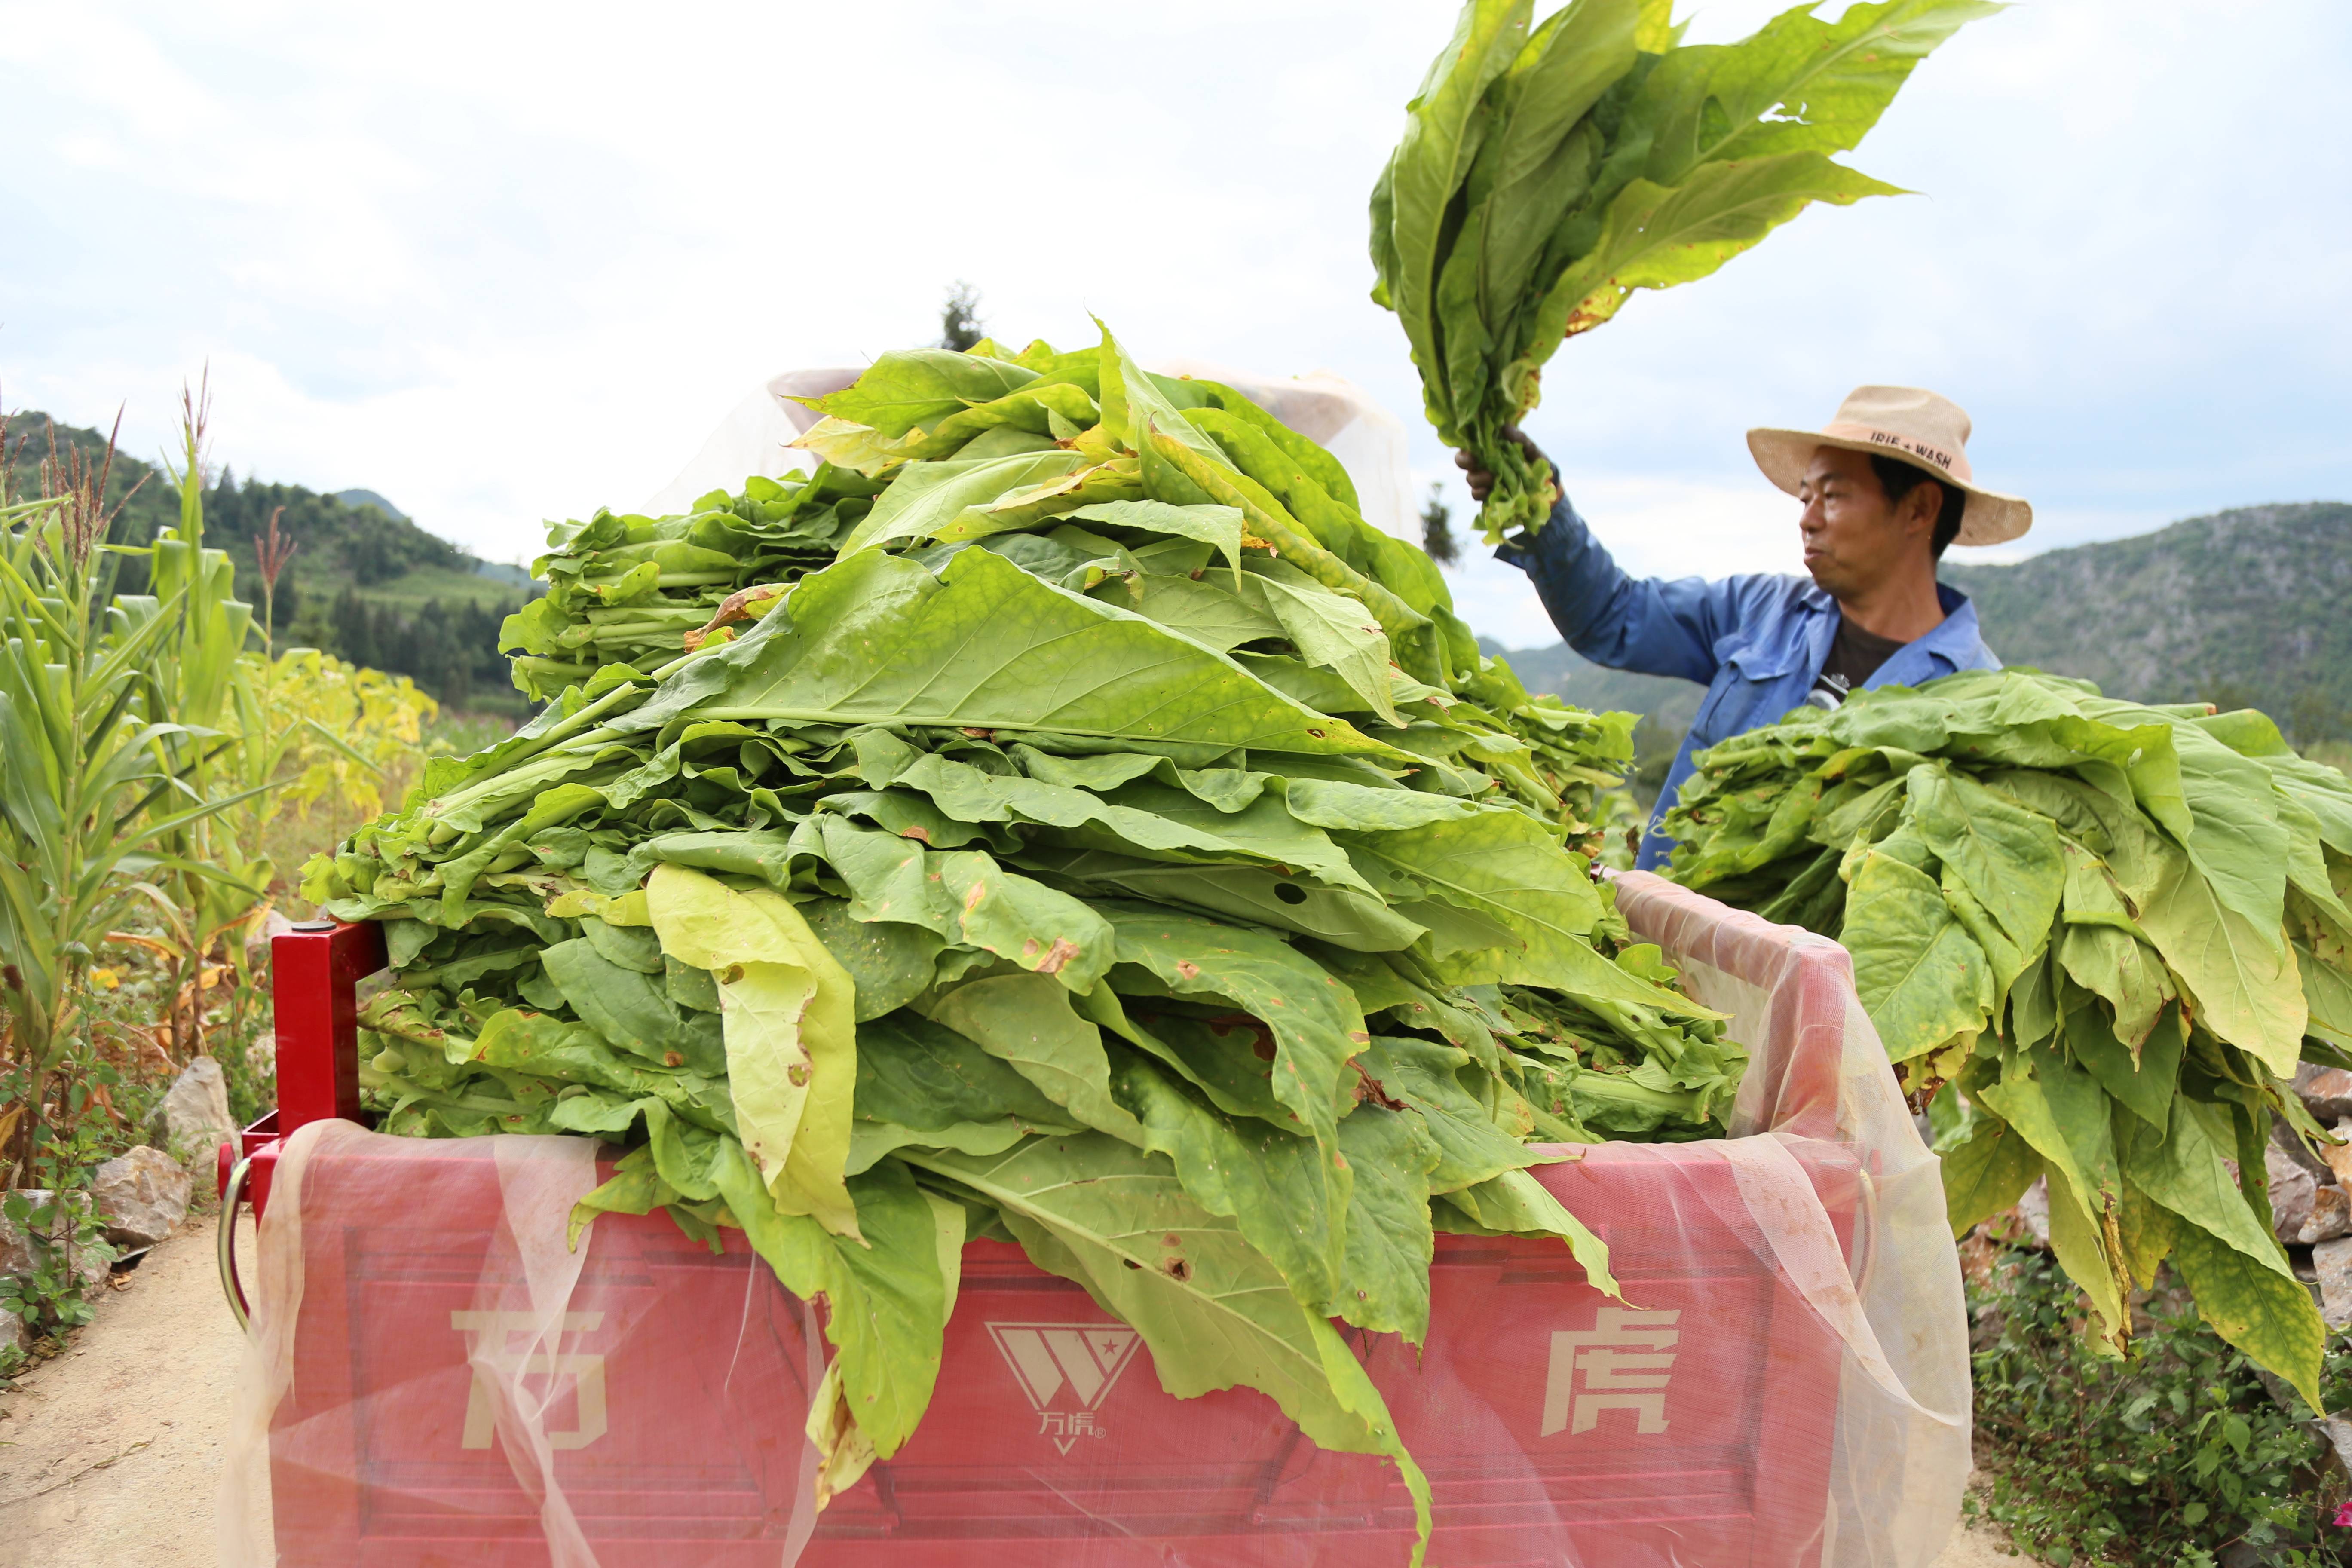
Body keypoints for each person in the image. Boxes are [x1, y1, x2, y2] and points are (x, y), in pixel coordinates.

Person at [1460, 386, 2033, 870]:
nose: (1806, 517)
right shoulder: (1762, 611)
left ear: (1919, 510)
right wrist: (1542, 506)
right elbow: (1615, 617)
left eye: (1832, 496)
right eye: (1807, 495)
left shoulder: (1978, 706)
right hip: (1662, 964)